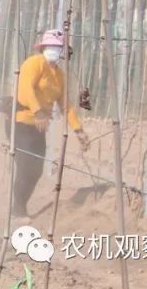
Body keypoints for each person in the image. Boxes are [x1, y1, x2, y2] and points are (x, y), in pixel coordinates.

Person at [7, 29, 91, 217]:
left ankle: (20, 204)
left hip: (39, 126)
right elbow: (25, 88)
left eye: (59, 47)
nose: (55, 50)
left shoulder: (59, 75)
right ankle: (18, 209)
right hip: (20, 122)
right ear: (43, 47)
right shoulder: (33, 63)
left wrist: (78, 130)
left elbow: (65, 106)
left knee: (36, 170)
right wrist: (37, 111)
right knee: (25, 165)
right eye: (52, 46)